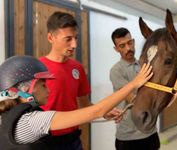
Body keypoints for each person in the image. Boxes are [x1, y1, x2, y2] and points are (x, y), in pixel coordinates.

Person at [0, 55, 152, 150]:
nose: (49, 90)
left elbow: (90, 114)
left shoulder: (10, 118)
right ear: (25, 88)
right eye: (43, 85)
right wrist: (134, 84)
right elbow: (96, 111)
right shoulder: (33, 121)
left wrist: (103, 114)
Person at [39, 11, 121, 149]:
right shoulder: (37, 68)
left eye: (76, 38)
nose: (74, 44)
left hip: (73, 140)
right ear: (50, 38)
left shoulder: (77, 68)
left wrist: (104, 112)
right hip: (45, 141)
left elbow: (85, 105)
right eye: (68, 39)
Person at [110, 27, 160, 150]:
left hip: (150, 132)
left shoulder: (145, 66)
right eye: (122, 46)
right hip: (129, 137)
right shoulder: (116, 71)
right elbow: (132, 98)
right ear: (116, 49)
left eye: (129, 43)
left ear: (133, 42)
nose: (128, 48)